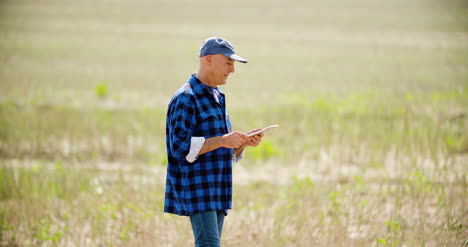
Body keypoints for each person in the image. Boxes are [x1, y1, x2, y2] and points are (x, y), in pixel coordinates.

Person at [164, 37, 264, 247]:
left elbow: (219, 148)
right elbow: (179, 147)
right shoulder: (186, 97)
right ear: (208, 60)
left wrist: (241, 144)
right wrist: (222, 140)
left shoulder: (217, 96)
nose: (232, 70)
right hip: (198, 189)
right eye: (228, 62)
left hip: (218, 188)